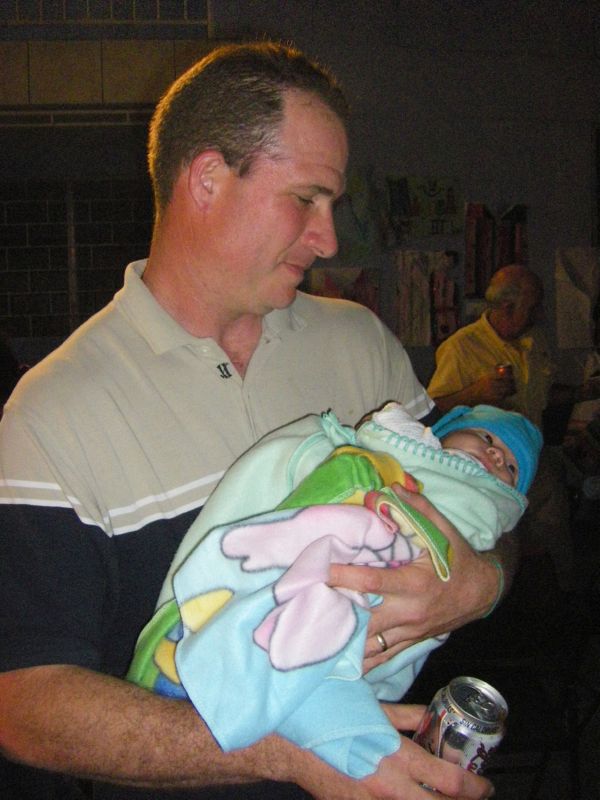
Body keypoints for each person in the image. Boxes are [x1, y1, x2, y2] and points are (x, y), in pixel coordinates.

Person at [0, 42, 503, 800]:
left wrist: (482, 581)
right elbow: (23, 703)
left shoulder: (361, 345)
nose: (329, 239)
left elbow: (485, 499)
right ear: (207, 178)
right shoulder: (51, 412)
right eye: (306, 199)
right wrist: (286, 752)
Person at [128, 402, 541, 780]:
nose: (494, 455)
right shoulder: (407, 443)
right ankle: (234, 667)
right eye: (486, 436)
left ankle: (268, 684)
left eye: (510, 466)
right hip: (345, 538)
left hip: (392, 593)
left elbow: (495, 536)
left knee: (331, 639)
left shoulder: (487, 505)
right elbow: (371, 443)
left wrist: (486, 579)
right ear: (441, 432)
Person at [427, 263, 599, 591]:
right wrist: (475, 392)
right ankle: (497, 600)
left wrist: (582, 392)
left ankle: (567, 592)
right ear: (508, 307)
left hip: (532, 455)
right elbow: (433, 409)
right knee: (500, 537)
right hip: (486, 465)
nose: (540, 313)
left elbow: (545, 396)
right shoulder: (461, 347)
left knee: (554, 524)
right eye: (533, 306)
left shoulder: (534, 340)